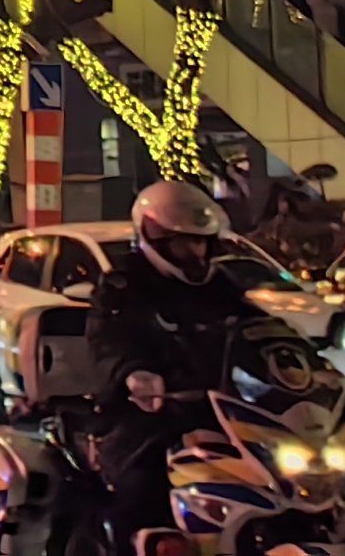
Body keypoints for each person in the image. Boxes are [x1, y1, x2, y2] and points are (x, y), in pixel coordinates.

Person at [86, 180, 267, 555]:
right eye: (184, 242)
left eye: (199, 242)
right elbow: (107, 341)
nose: (194, 251)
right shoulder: (123, 285)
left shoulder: (222, 285)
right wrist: (133, 373)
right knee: (142, 492)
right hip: (147, 417)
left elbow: (262, 330)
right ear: (157, 239)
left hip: (225, 414)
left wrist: (310, 364)